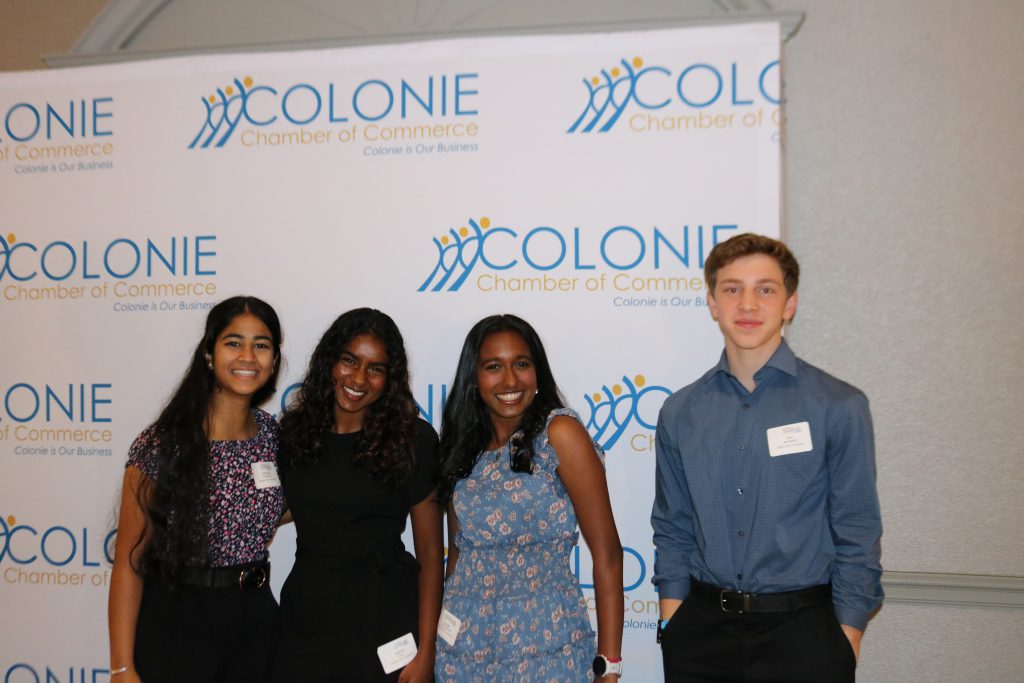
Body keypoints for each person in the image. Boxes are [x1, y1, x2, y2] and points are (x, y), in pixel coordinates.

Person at [651, 233, 884, 682]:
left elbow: (857, 529)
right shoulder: (681, 411)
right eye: (732, 288)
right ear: (713, 303)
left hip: (805, 636)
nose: (748, 304)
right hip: (700, 634)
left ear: (790, 303)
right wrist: (672, 620)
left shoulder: (838, 406)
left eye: (765, 289)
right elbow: (672, 526)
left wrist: (846, 639)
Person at [435, 314, 624, 683]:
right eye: (493, 366)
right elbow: (456, 555)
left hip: (546, 646)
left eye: (521, 364)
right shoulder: (463, 447)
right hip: (463, 652)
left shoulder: (560, 434)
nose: (509, 380)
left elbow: (608, 555)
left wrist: (609, 666)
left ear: (537, 372)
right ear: (473, 378)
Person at [108, 295, 286, 683]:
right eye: (233, 342)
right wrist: (122, 667)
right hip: (179, 622)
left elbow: (284, 507)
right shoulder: (162, 444)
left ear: (273, 361)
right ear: (209, 354)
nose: (248, 356)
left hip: (255, 622)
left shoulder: (273, 436)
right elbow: (129, 561)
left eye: (261, 345)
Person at [272, 308, 443, 683]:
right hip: (306, 618)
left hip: (384, 616)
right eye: (350, 361)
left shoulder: (412, 440)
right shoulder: (296, 434)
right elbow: (283, 510)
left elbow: (431, 556)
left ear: (390, 378)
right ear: (330, 361)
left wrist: (427, 650)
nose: (359, 379)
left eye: (376, 368)